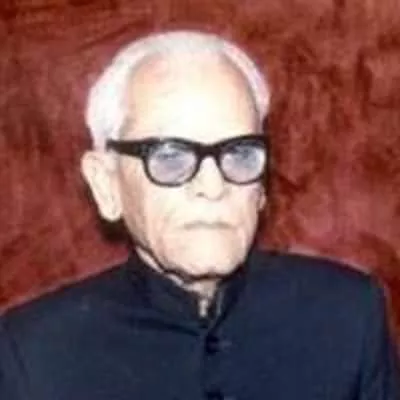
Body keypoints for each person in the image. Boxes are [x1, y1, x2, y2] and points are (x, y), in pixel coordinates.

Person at [0, 30, 398, 400]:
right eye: (170, 156)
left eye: (240, 153)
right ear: (107, 184)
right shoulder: (32, 357)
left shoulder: (347, 316)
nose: (212, 185)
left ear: (261, 188)